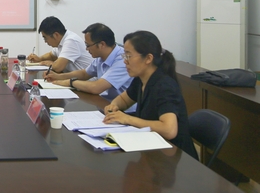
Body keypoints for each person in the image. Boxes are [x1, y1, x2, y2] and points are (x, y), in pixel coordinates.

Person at [103, 30, 198, 159]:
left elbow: (169, 130)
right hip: (152, 147)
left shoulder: (164, 86)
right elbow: (123, 100)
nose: (125, 61)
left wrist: (127, 119)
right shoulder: (141, 78)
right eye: (124, 56)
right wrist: (113, 106)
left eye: (128, 56)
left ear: (148, 58)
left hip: (174, 156)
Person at [43, 23, 132, 102]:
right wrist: (58, 76)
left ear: (101, 44)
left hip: (124, 110)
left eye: (88, 45)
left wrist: (70, 82)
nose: (86, 49)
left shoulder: (123, 60)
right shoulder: (101, 57)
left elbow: (96, 87)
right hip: (106, 102)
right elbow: (84, 73)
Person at [27, 16, 93, 73]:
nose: (45, 42)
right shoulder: (61, 41)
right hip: (74, 78)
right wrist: (39, 58)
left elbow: (58, 67)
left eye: (45, 38)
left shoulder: (71, 40)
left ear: (56, 35)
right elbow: (51, 55)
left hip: (86, 81)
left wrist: (50, 63)